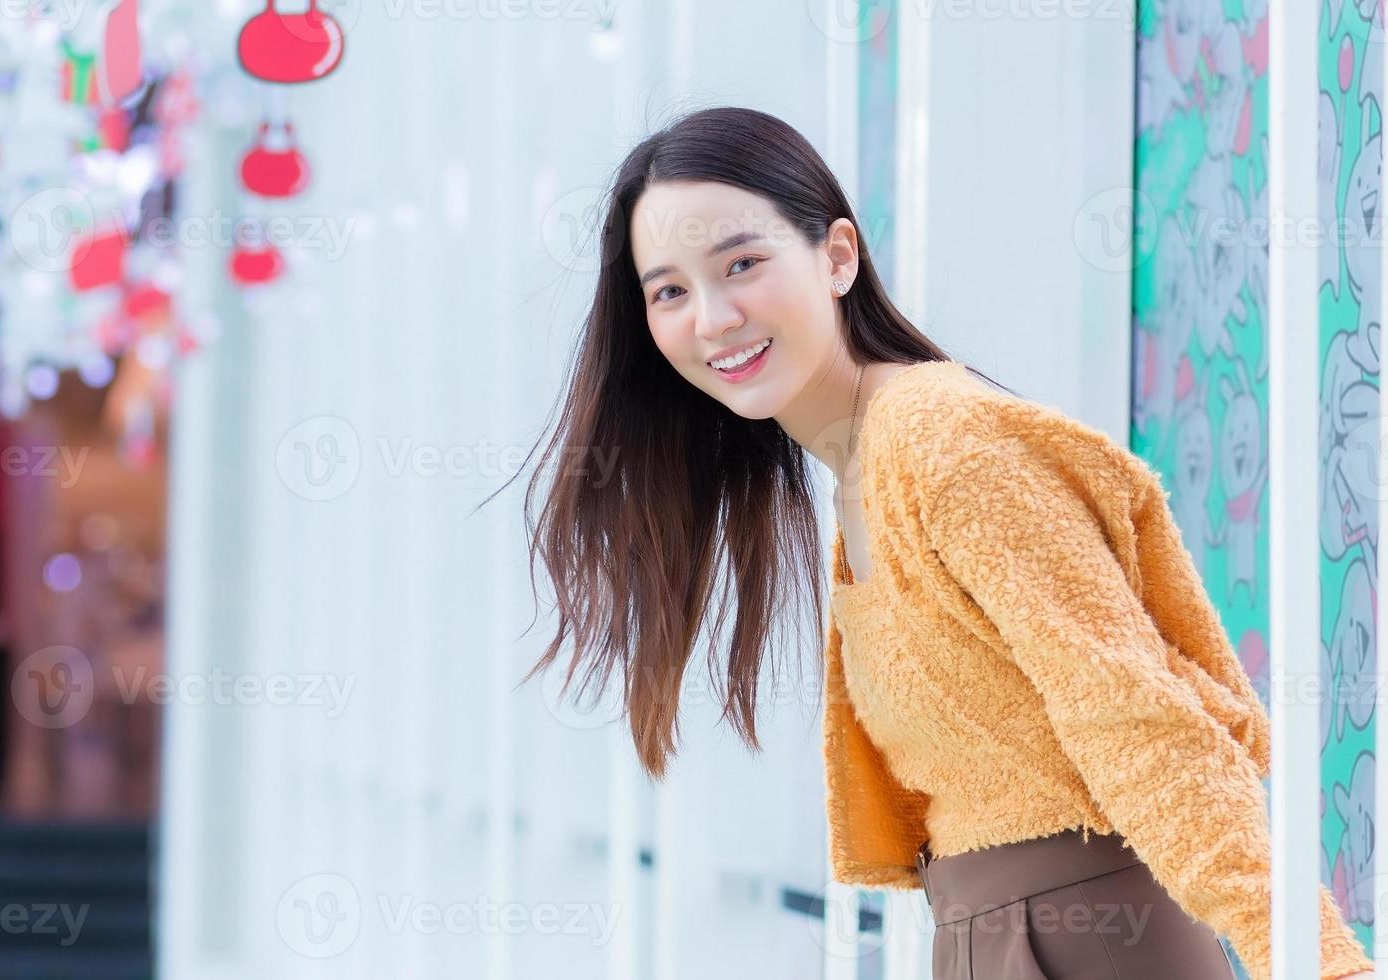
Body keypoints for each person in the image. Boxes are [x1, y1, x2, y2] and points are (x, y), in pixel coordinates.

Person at [512, 105, 1373, 979]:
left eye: (743, 263)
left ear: (838, 256)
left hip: (1090, 941)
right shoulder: (863, 465)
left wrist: (1317, 964)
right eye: (670, 291)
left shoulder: (947, 446)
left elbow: (1140, 718)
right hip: (996, 938)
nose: (713, 317)